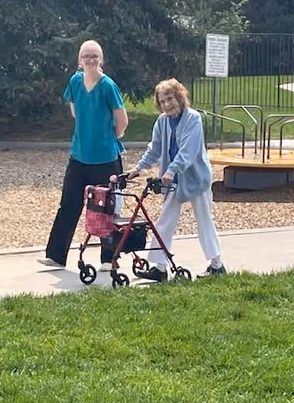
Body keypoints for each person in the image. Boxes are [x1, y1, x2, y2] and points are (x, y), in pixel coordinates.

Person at [40, 40, 129, 268]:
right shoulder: (75, 81)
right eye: (86, 56)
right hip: (79, 156)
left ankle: (109, 258)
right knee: (68, 205)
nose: (90, 60)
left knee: (105, 210)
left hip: (105, 160)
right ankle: (56, 255)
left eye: (94, 56)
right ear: (79, 60)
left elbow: (122, 121)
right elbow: (75, 109)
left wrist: (109, 137)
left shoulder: (108, 86)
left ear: (101, 60)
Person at [129, 78, 226, 281]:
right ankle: (160, 267)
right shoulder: (162, 121)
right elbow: (154, 149)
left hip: (195, 178)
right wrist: (139, 168)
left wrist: (171, 170)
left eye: (170, 98)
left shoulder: (193, 119)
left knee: (204, 220)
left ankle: (217, 265)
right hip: (171, 180)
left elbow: (188, 152)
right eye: (162, 101)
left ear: (179, 97)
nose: (166, 104)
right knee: (165, 221)